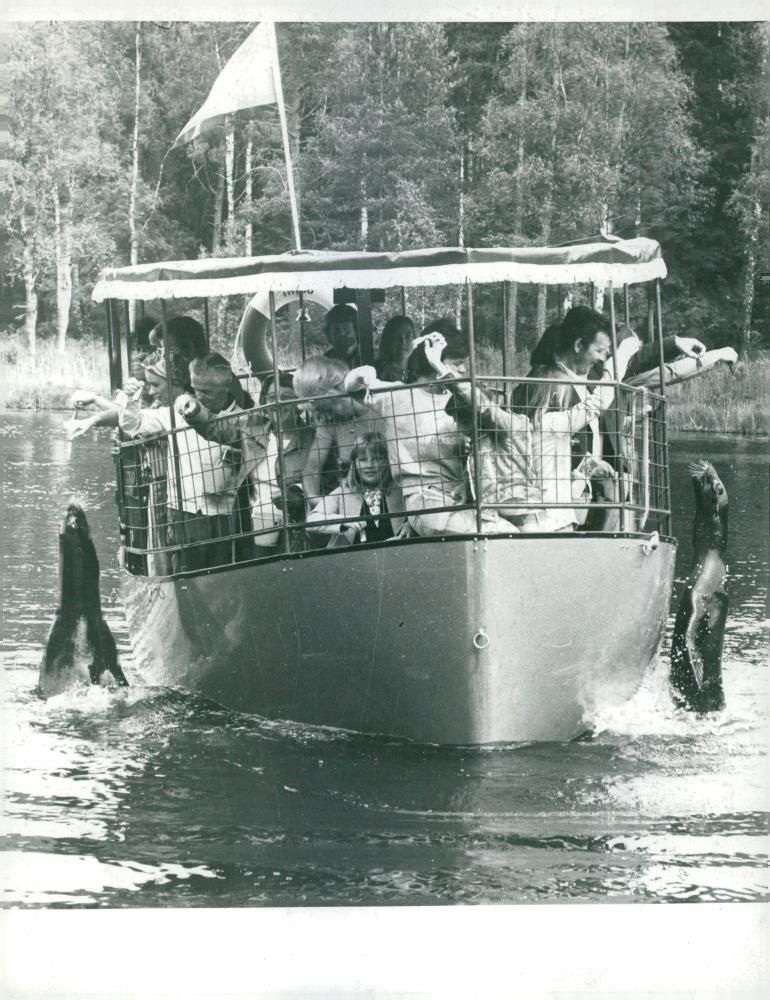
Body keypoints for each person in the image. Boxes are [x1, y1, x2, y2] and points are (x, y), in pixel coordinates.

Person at [344, 323, 491, 536]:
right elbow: (352, 388)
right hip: (423, 495)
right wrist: (362, 374)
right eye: (457, 363)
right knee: (474, 533)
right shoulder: (399, 396)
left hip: (465, 493)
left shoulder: (462, 398)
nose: (463, 370)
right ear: (433, 360)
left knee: (503, 531)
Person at [118, 351, 243, 573]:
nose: (200, 397)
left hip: (224, 515)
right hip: (184, 513)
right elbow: (132, 425)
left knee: (223, 575)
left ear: (226, 387)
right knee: (186, 577)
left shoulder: (242, 418)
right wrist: (131, 399)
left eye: (207, 391)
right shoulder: (173, 415)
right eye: (196, 391)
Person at [515, 333, 642, 532]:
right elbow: (597, 403)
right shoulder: (554, 423)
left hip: (529, 516)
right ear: (551, 394)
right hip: (554, 518)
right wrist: (620, 359)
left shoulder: (518, 425)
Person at [443, 381, 542, 532]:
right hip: (496, 512)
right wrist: (466, 487)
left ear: (479, 416)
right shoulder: (479, 443)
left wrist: (452, 380)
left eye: (464, 422)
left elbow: (486, 408)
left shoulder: (510, 427)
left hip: (521, 509)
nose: (460, 429)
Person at [293, 356, 384, 504]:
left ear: (340, 391)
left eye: (325, 409)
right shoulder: (330, 421)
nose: (324, 417)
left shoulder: (381, 405)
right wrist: (320, 506)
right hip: (354, 506)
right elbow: (312, 470)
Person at [306, 432, 405, 546]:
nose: (369, 465)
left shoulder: (401, 488)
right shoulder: (343, 492)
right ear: (354, 463)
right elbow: (312, 520)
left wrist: (409, 527)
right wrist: (344, 521)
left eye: (377, 459)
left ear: (387, 461)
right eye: (363, 460)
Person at [375, 315, 415, 382]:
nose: (403, 341)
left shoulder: (419, 371)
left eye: (408, 336)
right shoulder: (377, 373)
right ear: (388, 340)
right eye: (397, 336)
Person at [321, 304, 361, 369]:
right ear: (329, 333)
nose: (342, 333)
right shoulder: (324, 362)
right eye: (336, 329)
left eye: (346, 328)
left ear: (356, 330)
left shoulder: (371, 357)